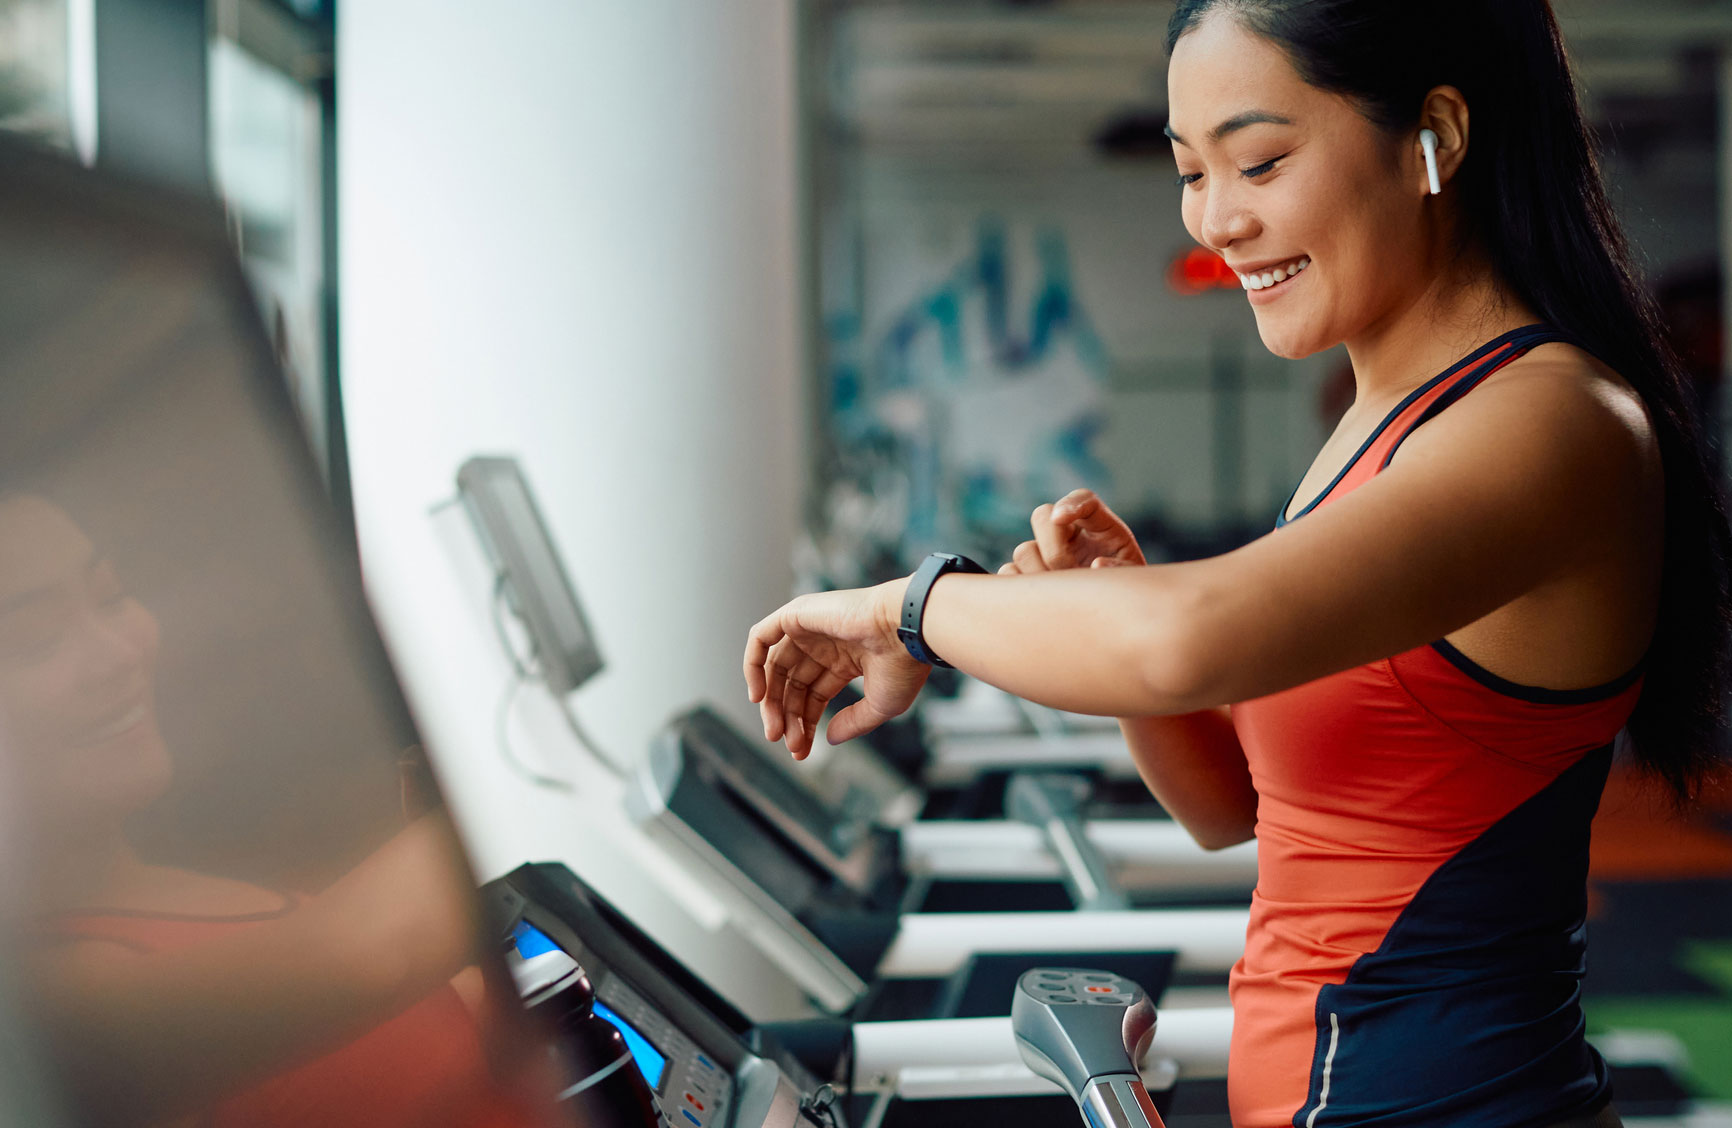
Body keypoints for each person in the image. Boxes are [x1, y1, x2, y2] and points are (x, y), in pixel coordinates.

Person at [742, 3, 1731, 1126]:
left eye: (1257, 161)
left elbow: (1184, 642)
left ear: (1436, 138)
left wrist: (904, 611)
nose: (1215, 219)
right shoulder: (1377, 426)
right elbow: (1233, 806)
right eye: (1189, 171)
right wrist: (1106, 609)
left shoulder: (1551, 423)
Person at [0, 494, 557, 1128]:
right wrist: (531, 726)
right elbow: (373, 959)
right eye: (36, 640)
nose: (119, 653)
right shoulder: (44, 1004)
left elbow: (417, 1026)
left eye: (111, 596)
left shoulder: (175, 895)